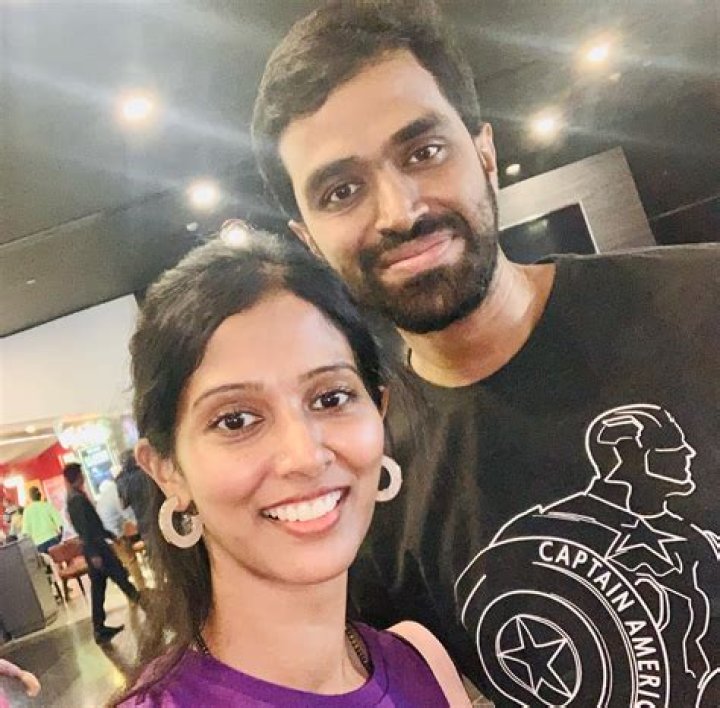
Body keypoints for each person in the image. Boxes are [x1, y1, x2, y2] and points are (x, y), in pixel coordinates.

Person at [251, 2, 720, 705]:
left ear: (486, 153)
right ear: (309, 239)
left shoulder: (703, 299)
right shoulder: (366, 486)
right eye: (342, 191)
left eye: (423, 152)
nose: (401, 211)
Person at [114, 231, 469, 706]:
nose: (305, 456)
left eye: (331, 398)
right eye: (236, 420)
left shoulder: (422, 661)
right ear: (167, 471)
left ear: (378, 412)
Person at [63, 463, 142, 644]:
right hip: (97, 549)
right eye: (81, 474)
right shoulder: (77, 500)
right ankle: (143, 604)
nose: (83, 477)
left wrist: (109, 535)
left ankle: (99, 628)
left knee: (99, 588)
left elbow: (91, 525)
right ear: (77, 477)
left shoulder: (75, 497)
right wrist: (94, 553)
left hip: (95, 547)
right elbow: (85, 528)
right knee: (119, 576)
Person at [96, 479, 146, 590]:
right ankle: (143, 590)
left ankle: (137, 591)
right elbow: (126, 513)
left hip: (108, 538)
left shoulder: (101, 500)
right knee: (131, 562)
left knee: (125, 564)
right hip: (116, 537)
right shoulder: (115, 493)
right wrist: (141, 525)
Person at [116, 450, 151, 540]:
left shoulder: (120, 480)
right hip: (156, 515)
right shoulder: (145, 472)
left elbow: (123, 505)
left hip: (142, 522)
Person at [21, 486, 63, 554]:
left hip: (39, 543)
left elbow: (26, 532)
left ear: (30, 497)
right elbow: (60, 524)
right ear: (40, 495)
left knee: (47, 561)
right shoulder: (47, 505)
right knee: (58, 559)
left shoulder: (27, 511)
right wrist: (60, 537)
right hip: (53, 538)